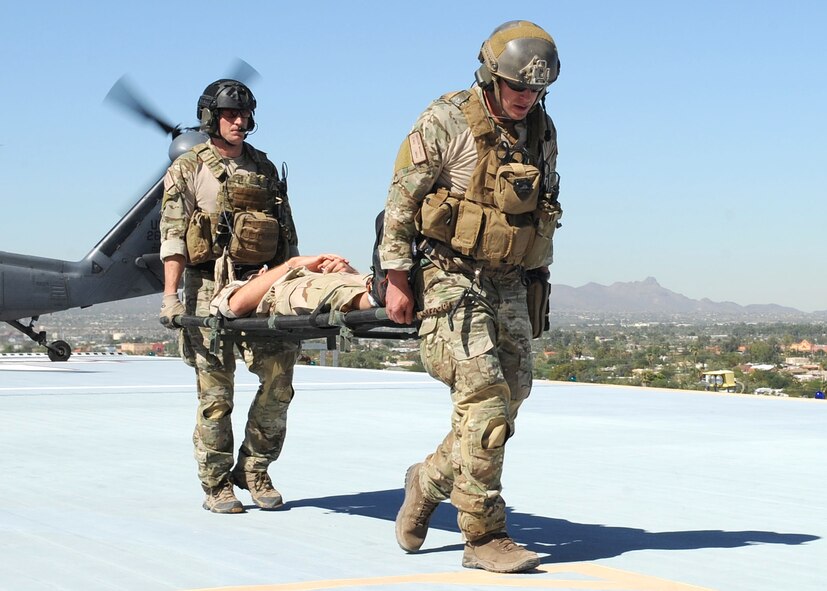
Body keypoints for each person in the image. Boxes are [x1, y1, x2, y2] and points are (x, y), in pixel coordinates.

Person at [379, 21, 562, 573]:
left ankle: (428, 479)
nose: (527, 100)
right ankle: (484, 535)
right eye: (518, 89)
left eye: (537, 91)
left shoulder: (541, 130)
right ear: (491, 75)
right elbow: (402, 200)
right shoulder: (446, 118)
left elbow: (544, 205)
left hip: (508, 280)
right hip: (448, 274)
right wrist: (396, 276)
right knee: (483, 398)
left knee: (510, 400)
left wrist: (536, 281)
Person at [158, 79, 301, 514]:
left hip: (260, 287)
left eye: (243, 115)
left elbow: (287, 235)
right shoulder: (188, 169)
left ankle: (255, 469)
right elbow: (173, 236)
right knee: (216, 395)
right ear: (210, 118)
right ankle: (216, 484)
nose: (239, 122)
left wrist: (292, 282)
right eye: (229, 115)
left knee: (279, 382)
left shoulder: (264, 168)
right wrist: (170, 297)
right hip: (206, 288)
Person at [210, 254, 375, 319]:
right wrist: (292, 264)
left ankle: (382, 287)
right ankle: (375, 297)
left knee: (360, 281)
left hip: (329, 280)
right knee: (327, 291)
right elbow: (235, 306)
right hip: (292, 291)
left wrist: (346, 270)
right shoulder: (239, 287)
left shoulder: (298, 272)